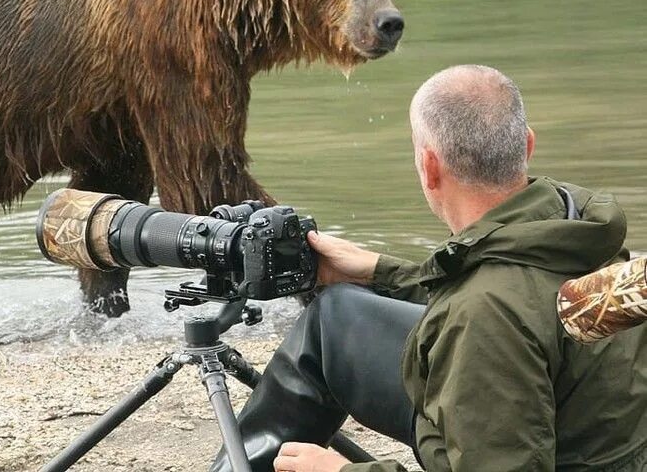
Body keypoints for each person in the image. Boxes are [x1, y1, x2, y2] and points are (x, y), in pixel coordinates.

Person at [211, 64, 647, 472]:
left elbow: (495, 314)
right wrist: (378, 272)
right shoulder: (574, 222)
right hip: (580, 423)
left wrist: (342, 470)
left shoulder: (483, 319)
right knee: (336, 314)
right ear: (527, 144)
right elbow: (516, 294)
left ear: (429, 166)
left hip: (530, 436)